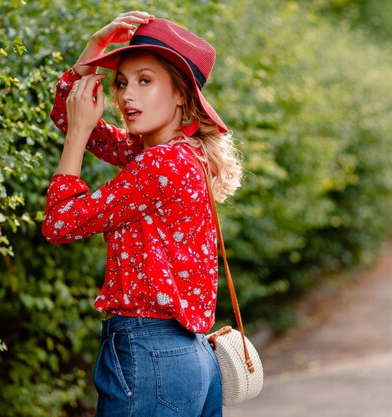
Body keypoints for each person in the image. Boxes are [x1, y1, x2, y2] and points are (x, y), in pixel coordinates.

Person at [42, 11, 242, 417]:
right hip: (192, 358)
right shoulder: (182, 155)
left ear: (181, 94)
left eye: (145, 81)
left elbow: (60, 222)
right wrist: (92, 51)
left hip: (150, 352)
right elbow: (70, 115)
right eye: (121, 82)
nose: (126, 95)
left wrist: (79, 137)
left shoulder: (161, 165)